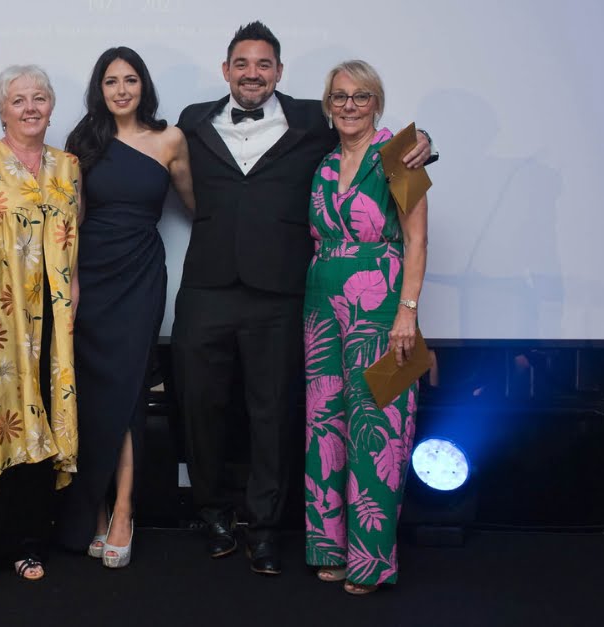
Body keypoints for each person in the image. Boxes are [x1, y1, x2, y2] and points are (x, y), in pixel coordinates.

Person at [172, 21, 434, 576]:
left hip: (329, 300)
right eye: (242, 63)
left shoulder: (344, 131)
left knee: (326, 420)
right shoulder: (194, 121)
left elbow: (416, 222)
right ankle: (236, 519)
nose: (252, 73)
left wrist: (423, 142)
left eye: (264, 64)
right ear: (226, 70)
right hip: (279, 298)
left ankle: (286, 535)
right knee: (313, 424)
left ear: (280, 72)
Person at [56, 47, 194, 568]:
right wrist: (70, 286)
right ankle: (91, 507)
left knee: (130, 390)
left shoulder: (170, 139)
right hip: (92, 274)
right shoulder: (83, 142)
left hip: (140, 275)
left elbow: (198, 205)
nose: (120, 90)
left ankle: (123, 510)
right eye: (111, 81)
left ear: (143, 86)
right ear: (100, 88)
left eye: (130, 80)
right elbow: (72, 218)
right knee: (92, 393)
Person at [0, 64, 80, 590]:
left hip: (51, 317)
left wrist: (74, 306)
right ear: (1, 109)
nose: (30, 107)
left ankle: (29, 545)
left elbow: (75, 241)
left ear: (52, 106)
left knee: (40, 421)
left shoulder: (69, 166)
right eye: (18, 99)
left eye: (40, 98)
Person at [303, 60, 427, 595]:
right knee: (325, 423)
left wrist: (408, 312)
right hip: (322, 310)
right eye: (339, 97)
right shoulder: (327, 163)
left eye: (360, 96)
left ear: (376, 101)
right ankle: (329, 548)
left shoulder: (400, 153)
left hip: (382, 310)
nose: (349, 105)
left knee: (379, 426)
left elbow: (417, 239)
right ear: (328, 105)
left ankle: (372, 562)